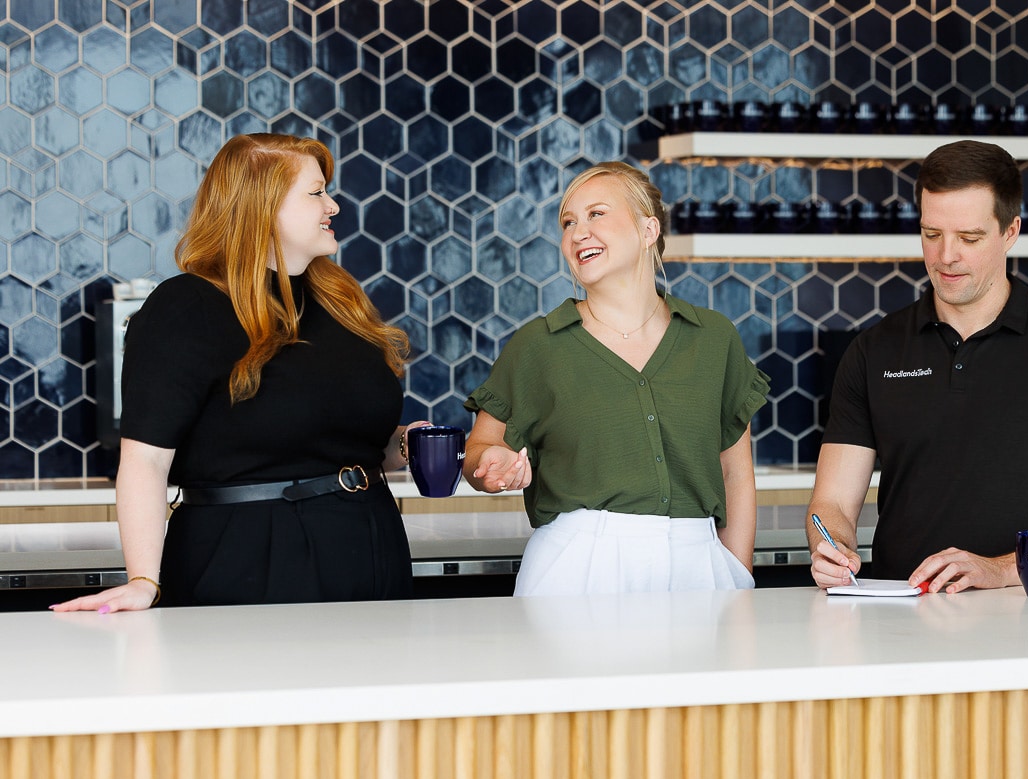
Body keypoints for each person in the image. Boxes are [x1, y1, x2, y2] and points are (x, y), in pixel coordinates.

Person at [52, 133, 428, 612]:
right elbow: (146, 461)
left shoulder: (340, 303)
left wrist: (405, 443)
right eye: (316, 192)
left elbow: (338, 442)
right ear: (260, 206)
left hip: (372, 547)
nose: (332, 205)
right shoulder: (186, 307)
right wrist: (143, 580)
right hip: (251, 556)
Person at [807, 140, 1028, 594]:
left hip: (1026, 609)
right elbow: (832, 503)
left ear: (1010, 231)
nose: (946, 256)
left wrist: (1000, 570)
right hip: (900, 614)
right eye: (932, 234)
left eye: (969, 238)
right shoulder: (873, 351)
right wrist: (831, 547)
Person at [462, 161, 769, 596]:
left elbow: (735, 471)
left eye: (596, 214)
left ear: (648, 230)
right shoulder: (539, 345)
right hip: (579, 566)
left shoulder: (714, 338)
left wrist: (738, 573)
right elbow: (479, 451)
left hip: (700, 564)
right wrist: (489, 465)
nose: (578, 233)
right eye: (568, 222)